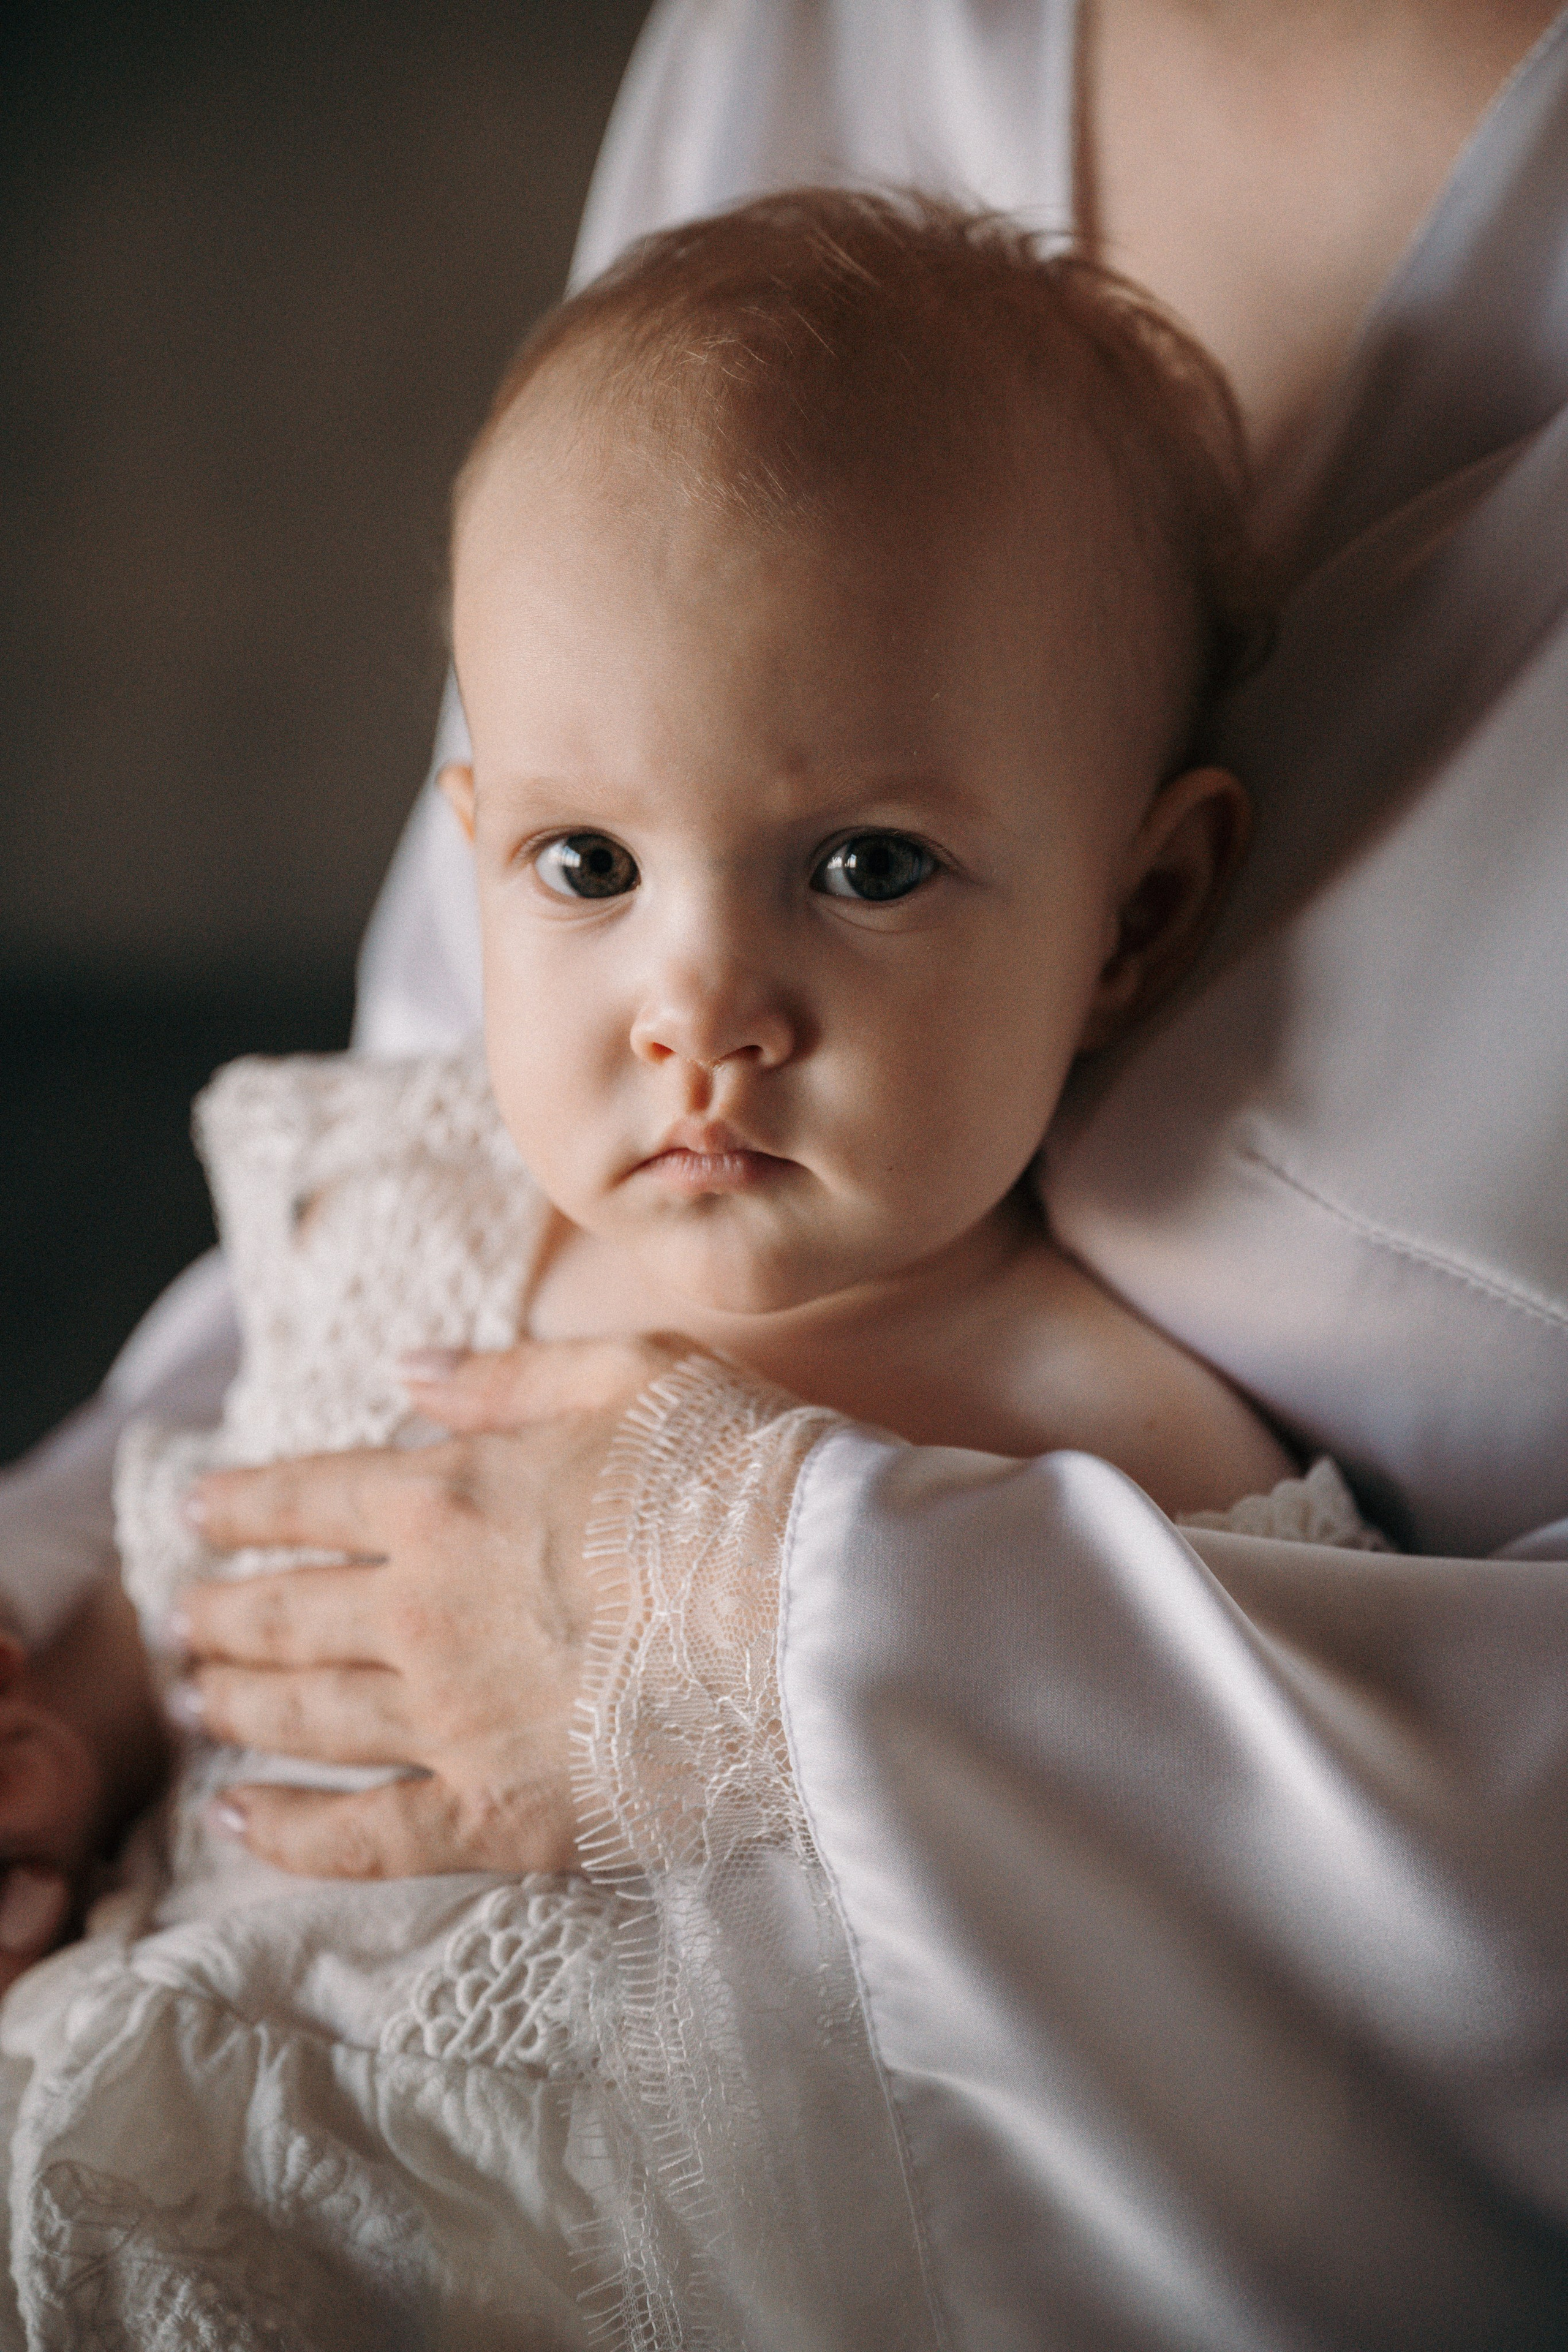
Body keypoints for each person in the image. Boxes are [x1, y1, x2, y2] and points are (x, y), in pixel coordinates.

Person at [2, 1, 1567, 2342]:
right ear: (476, 844)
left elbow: (1179, 1888)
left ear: (1139, 918)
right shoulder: (418, 1212)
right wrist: (77, 1694)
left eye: (861, 863)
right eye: (587, 864)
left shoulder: (1101, 1425)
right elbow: (220, 1531)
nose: (695, 1006)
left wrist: (807, 1644)